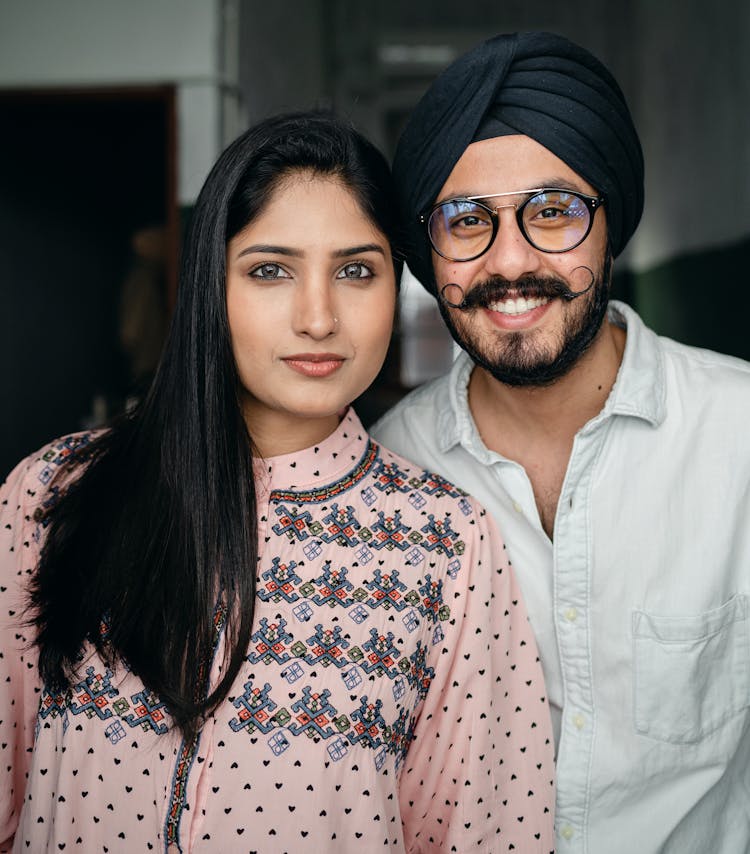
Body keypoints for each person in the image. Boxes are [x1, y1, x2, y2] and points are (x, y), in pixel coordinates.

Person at [0, 112, 555, 853]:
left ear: (398, 287)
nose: (318, 317)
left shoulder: (447, 547)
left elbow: (489, 835)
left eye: (356, 270)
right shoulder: (53, 493)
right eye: (270, 270)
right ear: (210, 284)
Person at [372, 31, 750, 854]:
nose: (510, 262)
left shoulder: (739, 435)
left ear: (611, 226)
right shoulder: (387, 470)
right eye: (466, 220)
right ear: (427, 251)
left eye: (553, 212)